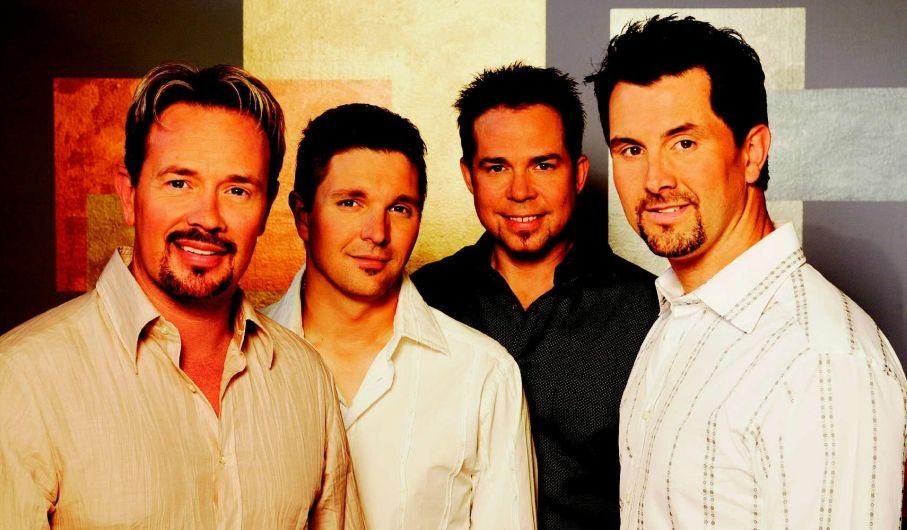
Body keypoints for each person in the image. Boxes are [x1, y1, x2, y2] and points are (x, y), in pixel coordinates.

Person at [0, 63, 361, 529]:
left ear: (265, 210)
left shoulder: (304, 377)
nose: (207, 217)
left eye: (237, 189)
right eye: (179, 183)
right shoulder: (22, 378)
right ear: (129, 194)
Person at [586, 15, 907, 529]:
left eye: (684, 143)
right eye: (631, 149)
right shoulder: (676, 317)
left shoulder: (822, 360)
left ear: (752, 152)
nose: (655, 179)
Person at [266, 103, 536, 529]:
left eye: (400, 208)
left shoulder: (482, 372)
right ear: (303, 216)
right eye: (350, 202)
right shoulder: (236, 360)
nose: (376, 233)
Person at [412, 63, 660, 528]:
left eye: (543, 165)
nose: (520, 191)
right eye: (497, 167)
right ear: (468, 176)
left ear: (578, 174)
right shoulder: (423, 301)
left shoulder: (648, 310)